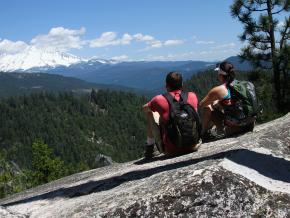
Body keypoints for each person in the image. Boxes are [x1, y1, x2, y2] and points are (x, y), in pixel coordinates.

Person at [142, 71, 200, 158]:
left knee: (150, 113)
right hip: (193, 145)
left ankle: (150, 147)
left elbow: (144, 108)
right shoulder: (192, 95)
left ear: (166, 85)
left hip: (171, 150)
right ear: (182, 84)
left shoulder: (159, 99)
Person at [199, 61, 255, 142]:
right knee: (222, 105)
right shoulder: (243, 85)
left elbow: (201, 104)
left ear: (221, 75)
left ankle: (203, 135)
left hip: (235, 128)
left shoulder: (219, 89)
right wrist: (220, 101)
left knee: (207, 107)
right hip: (250, 124)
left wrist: (216, 102)